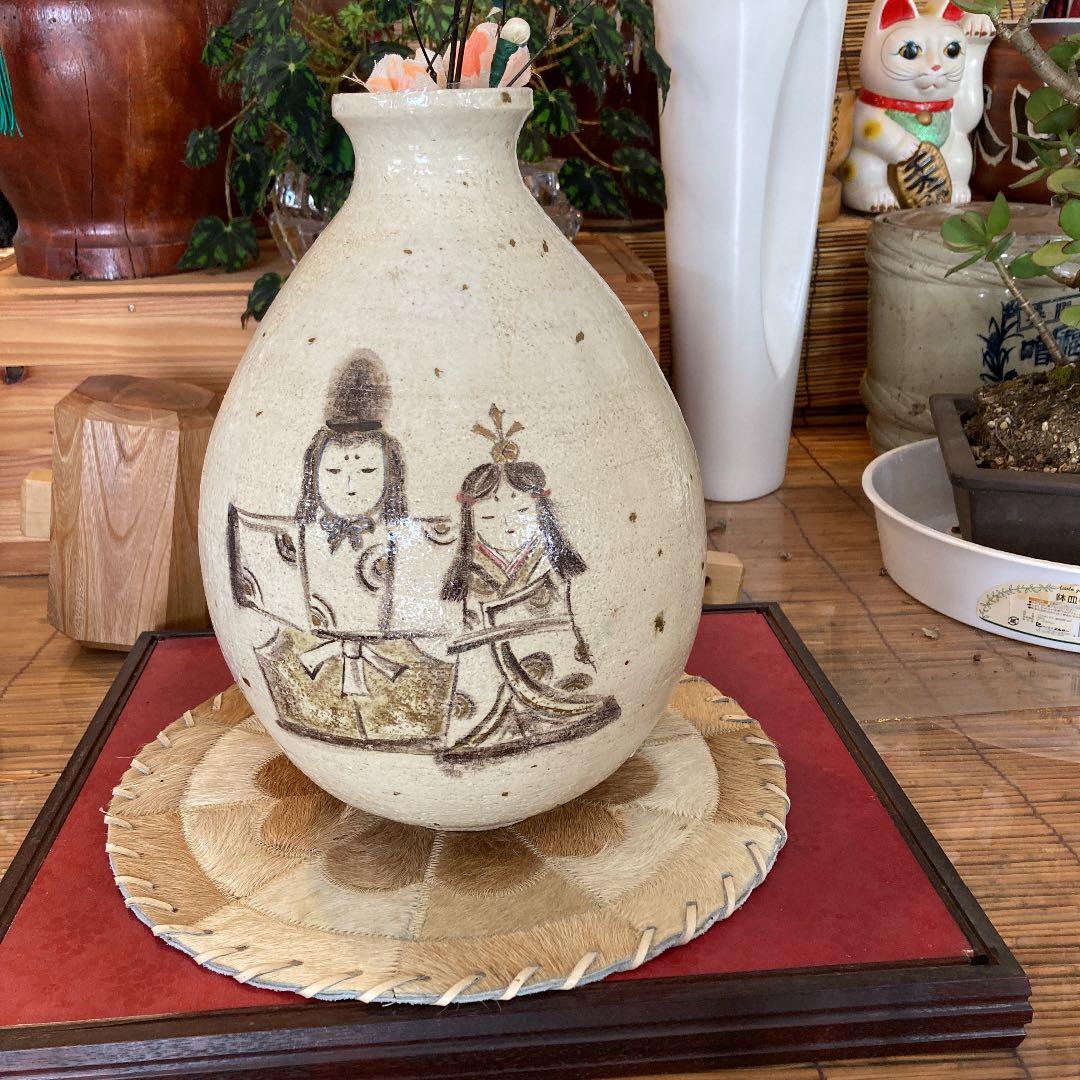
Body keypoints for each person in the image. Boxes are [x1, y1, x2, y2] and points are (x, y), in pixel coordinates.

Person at [440, 405, 619, 751]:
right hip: (490, 668)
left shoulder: (549, 561)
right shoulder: (472, 571)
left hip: (547, 649)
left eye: (522, 511)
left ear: (540, 511)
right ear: (471, 521)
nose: (507, 523)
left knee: (565, 685)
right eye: (489, 516)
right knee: (481, 705)